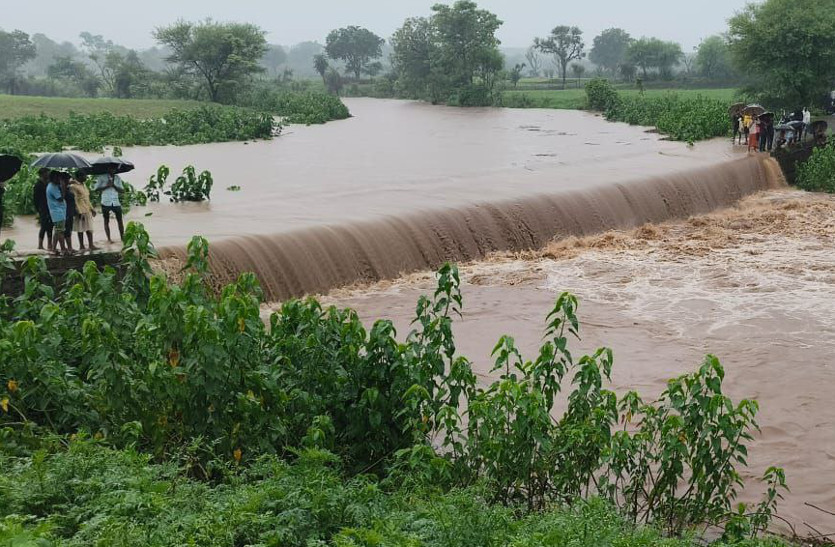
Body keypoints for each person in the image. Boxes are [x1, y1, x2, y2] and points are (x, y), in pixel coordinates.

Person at [93, 167, 125, 243]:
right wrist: (107, 185)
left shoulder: (117, 178)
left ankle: (122, 238)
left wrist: (114, 185)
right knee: (106, 221)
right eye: (111, 168)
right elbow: (96, 189)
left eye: (114, 169)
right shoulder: (101, 177)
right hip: (105, 202)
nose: (113, 170)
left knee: (120, 221)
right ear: (108, 169)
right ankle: (109, 239)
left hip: (116, 202)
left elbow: (122, 190)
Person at [69, 172, 97, 251]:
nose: (86, 177)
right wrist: (78, 211)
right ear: (79, 176)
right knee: (80, 229)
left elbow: (87, 199)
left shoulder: (84, 185)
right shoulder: (73, 186)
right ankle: (81, 246)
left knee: (89, 228)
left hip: (87, 209)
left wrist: (92, 209)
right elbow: (74, 200)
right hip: (80, 210)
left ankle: (91, 245)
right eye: (84, 175)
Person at [46, 171, 69, 255]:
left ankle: (53, 249)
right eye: (57, 178)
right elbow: (61, 198)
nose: (59, 179)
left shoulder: (53, 186)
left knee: (57, 231)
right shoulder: (52, 187)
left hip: (58, 212)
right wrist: (63, 187)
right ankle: (63, 249)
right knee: (60, 231)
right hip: (58, 213)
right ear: (53, 178)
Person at [33, 168, 54, 251]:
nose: (48, 174)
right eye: (47, 173)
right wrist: (38, 210)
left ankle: (49, 244)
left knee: (51, 226)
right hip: (43, 208)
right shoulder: (38, 185)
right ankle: (40, 245)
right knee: (43, 226)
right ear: (42, 174)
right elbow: (35, 199)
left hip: (50, 207)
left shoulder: (49, 183)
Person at [60, 172, 76, 253]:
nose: (69, 180)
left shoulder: (67, 188)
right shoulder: (62, 189)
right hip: (66, 211)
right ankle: (68, 248)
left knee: (69, 230)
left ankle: (70, 247)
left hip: (70, 211)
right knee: (67, 230)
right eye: (67, 179)